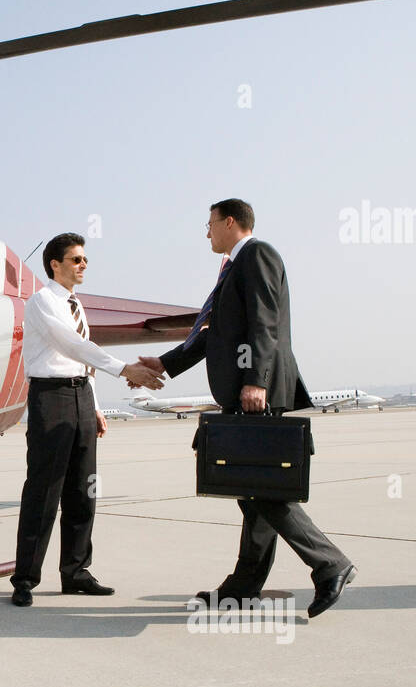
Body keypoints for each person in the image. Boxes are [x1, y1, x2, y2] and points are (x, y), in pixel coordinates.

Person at [137, 200, 357, 618]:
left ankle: (330, 564)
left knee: (261, 489)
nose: (207, 233)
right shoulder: (233, 268)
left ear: (230, 222)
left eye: (210, 224)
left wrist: (256, 379)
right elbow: (213, 335)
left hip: (258, 390)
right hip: (246, 390)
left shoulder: (257, 254)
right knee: (254, 491)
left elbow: (265, 322)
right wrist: (164, 363)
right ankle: (243, 587)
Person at [11, 233, 164, 607]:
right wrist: (123, 367)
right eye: (76, 259)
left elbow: (83, 362)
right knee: (44, 491)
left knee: (83, 491)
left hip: (80, 396)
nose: (83, 265)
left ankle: (75, 573)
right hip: (51, 397)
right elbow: (71, 345)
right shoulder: (42, 302)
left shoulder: (76, 304)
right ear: (55, 265)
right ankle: (25, 579)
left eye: (85, 260)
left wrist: (93, 405)